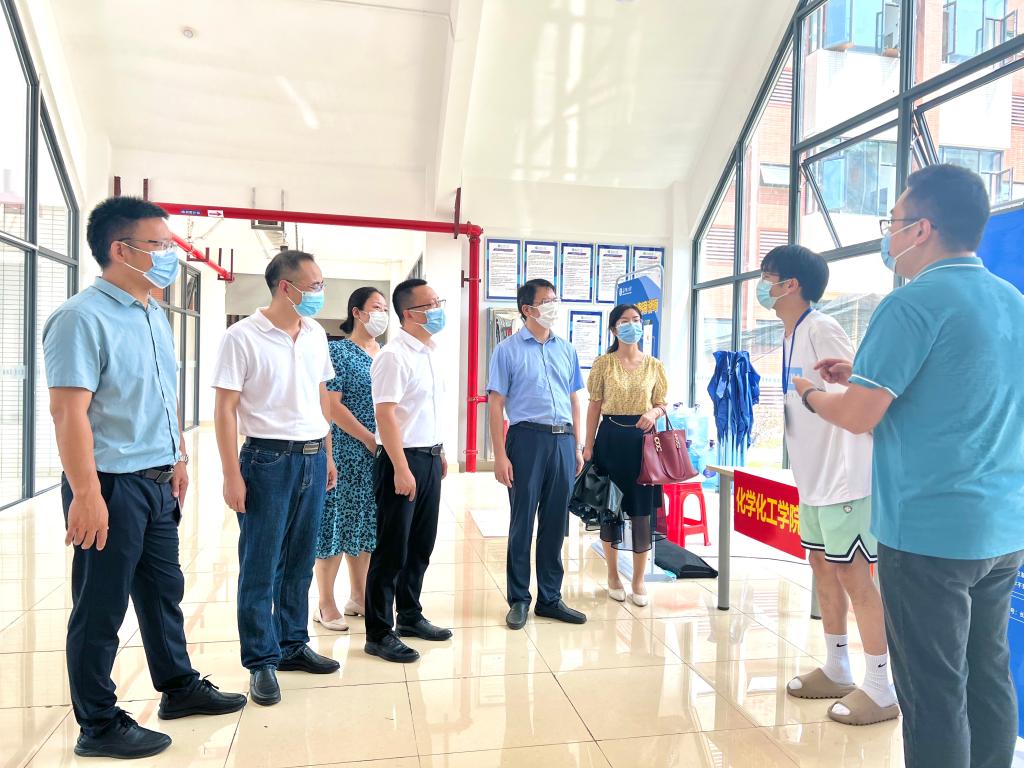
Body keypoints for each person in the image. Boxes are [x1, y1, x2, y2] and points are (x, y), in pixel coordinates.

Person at [793, 164, 1024, 768]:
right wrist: (862, 377)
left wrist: (813, 396)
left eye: (892, 222)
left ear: (921, 229)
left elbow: (858, 416)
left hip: (928, 533)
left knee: (932, 691)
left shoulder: (912, 302)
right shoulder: (1013, 302)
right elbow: (960, 386)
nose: (888, 234)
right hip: (1003, 530)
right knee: (988, 673)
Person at [42, 197, 246, 760]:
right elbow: (68, 413)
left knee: (163, 592)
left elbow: (160, 392)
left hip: (157, 480)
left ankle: (178, 686)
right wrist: (87, 494)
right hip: (109, 484)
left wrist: (177, 454)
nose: (169, 255)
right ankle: (98, 724)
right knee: (101, 606)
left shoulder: (153, 311)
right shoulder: (81, 318)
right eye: (159, 245)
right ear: (121, 249)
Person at [757, 245, 897, 726]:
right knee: (822, 568)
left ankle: (880, 684)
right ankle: (838, 667)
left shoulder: (822, 328)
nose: (763, 289)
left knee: (855, 576)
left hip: (845, 479)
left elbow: (858, 401)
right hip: (813, 479)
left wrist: (814, 396)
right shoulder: (790, 335)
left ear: (790, 284)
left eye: (767, 278)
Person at [212, 250, 340, 707]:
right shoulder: (241, 337)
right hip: (266, 460)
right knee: (261, 565)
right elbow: (224, 409)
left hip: (312, 457)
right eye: (315, 284)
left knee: (300, 560)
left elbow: (321, 396)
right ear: (287, 288)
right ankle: (261, 660)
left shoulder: (316, 334)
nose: (320, 292)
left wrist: (327, 453)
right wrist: (231, 475)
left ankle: (291, 644)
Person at [488, 278, 587, 630]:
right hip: (526, 439)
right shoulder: (507, 350)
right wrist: (500, 456)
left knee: (556, 523)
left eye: (555, 299)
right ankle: (519, 598)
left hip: (563, 441)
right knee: (522, 522)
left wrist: (577, 445)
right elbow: (495, 404)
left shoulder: (567, 349)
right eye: (546, 301)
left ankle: (550, 598)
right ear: (527, 309)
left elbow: (574, 398)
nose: (553, 306)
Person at [363, 278, 452, 663]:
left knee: (420, 544)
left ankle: (411, 615)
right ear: (410, 314)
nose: (438, 309)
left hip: (428, 458)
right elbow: (385, 414)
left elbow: (425, 410)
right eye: (430, 304)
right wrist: (400, 467)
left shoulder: (430, 352)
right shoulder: (393, 356)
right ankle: (379, 632)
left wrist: (439, 449)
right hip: (401, 461)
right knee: (392, 549)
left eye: (438, 301)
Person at [582, 304, 670, 608]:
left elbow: (662, 403)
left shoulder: (654, 365)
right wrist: (587, 445)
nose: (632, 325)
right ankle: (612, 576)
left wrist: (653, 412)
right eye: (624, 321)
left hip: (643, 445)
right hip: (610, 440)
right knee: (611, 509)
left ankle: (638, 579)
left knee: (642, 512)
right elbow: (594, 406)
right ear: (613, 329)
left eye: (636, 320)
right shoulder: (603, 364)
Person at [313, 287, 388, 632]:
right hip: (345, 450)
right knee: (335, 522)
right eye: (376, 307)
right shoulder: (338, 351)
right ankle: (325, 602)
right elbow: (332, 405)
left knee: (366, 523)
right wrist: (368, 438)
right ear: (357, 312)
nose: (382, 314)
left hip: (378, 453)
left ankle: (359, 596)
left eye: (385, 308)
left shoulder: (385, 354)